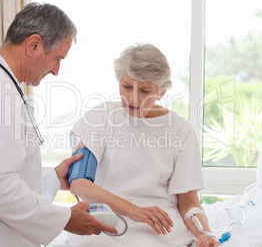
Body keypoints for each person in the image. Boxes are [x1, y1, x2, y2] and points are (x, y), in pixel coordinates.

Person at [0, 3, 117, 247]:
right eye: (57, 58)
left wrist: (53, 178)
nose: (57, 71)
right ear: (33, 45)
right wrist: (66, 218)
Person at [56, 44, 218, 247]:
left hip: (158, 224)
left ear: (162, 91)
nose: (133, 98)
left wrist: (205, 234)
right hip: (106, 217)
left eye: (144, 90)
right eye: (127, 86)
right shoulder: (100, 117)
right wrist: (133, 211)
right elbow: (79, 182)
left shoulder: (181, 130)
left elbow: (189, 202)